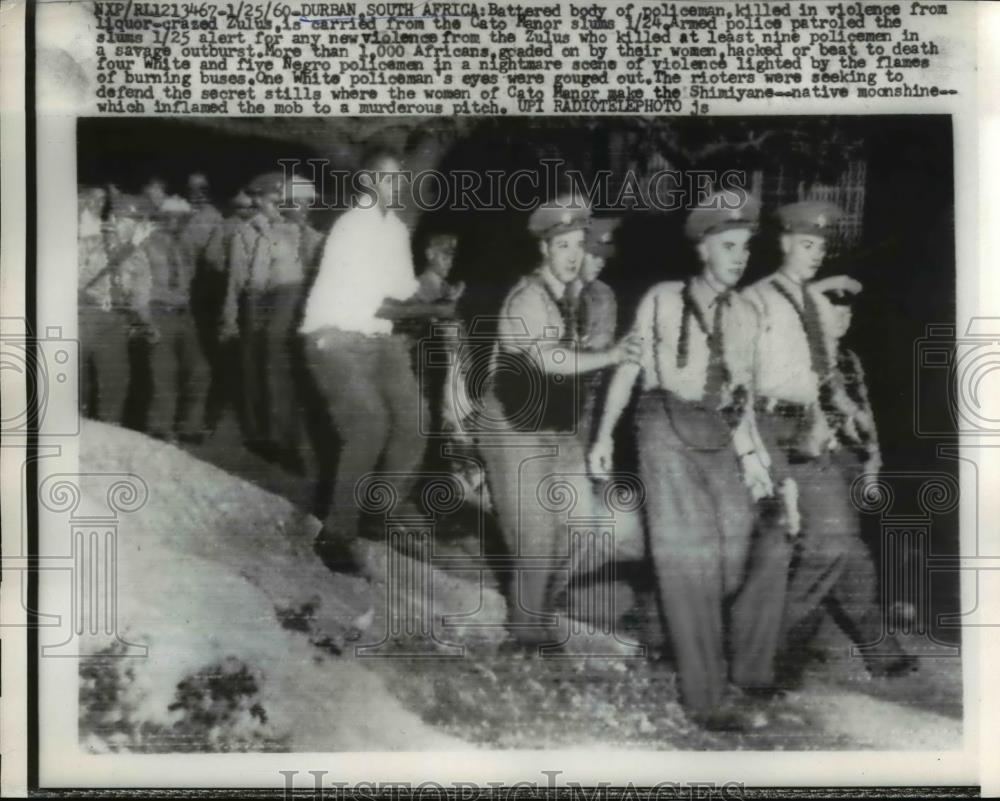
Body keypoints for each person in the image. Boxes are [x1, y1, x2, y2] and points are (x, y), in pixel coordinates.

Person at [589, 191, 791, 730]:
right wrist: (604, 435)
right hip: (661, 422)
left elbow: (742, 399)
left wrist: (752, 459)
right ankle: (706, 699)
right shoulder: (663, 298)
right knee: (688, 561)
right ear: (703, 249)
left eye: (745, 248)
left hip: (716, 432)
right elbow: (630, 368)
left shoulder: (749, 313)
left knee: (733, 553)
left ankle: (664, 630)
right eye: (728, 246)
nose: (738, 257)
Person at [742, 200, 915, 684]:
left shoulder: (816, 306)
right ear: (784, 243)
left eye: (820, 245)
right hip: (764, 426)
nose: (815, 252)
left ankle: (762, 649)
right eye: (805, 243)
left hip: (808, 430)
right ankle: (756, 653)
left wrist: (832, 416)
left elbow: (821, 371)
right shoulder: (756, 300)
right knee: (782, 548)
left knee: (835, 543)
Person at [478, 196, 642, 650]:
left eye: (578, 245)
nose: (572, 255)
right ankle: (527, 636)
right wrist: (609, 355)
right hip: (514, 427)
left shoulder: (580, 297)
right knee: (535, 536)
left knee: (583, 526)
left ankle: (539, 610)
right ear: (545, 249)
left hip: (556, 428)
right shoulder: (528, 297)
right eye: (563, 245)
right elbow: (548, 360)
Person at [301, 146, 452, 574]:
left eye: (400, 178)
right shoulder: (353, 227)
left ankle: (377, 513)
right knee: (368, 424)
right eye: (387, 178)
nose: (397, 185)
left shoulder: (396, 231)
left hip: (378, 338)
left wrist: (445, 290)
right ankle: (336, 534)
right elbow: (385, 307)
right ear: (368, 181)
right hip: (335, 336)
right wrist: (437, 312)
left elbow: (406, 292)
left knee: (415, 420)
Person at [221, 172, 307, 470]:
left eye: (280, 201)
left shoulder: (291, 230)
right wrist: (230, 320)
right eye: (271, 200)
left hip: (283, 304)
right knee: (252, 372)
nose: (277, 206)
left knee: (277, 371)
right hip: (253, 304)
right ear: (257, 200)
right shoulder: (244, 233)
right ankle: (259, 437)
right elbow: (235, 281)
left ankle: (282, 439)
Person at [140, 194, 211, 442]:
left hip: (184, 314)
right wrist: (145, 318)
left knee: (200, 370)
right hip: (158, 311)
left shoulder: (186, 245)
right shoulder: (146, 244)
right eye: (170, 217)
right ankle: (161, 428)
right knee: (164, 373)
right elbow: (138, 282)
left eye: (181, 218)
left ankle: (189, 427)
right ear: (161, 218)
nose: (175, 222)